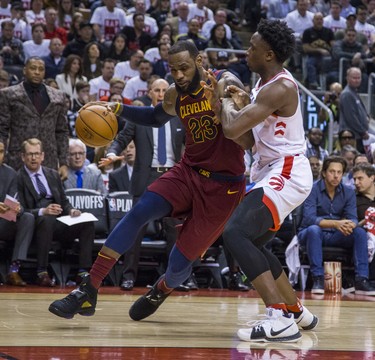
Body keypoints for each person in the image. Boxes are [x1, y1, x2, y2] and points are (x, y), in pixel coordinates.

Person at [48, 40, 249, 321]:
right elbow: (155, 118)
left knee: (180, 264)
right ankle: (88, 290)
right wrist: (119, 109)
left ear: (200, 62)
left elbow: (246, 125)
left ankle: (162, 288)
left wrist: (228, 104)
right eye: (173, 69)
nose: (178, 75)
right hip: (188, 171)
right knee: (138, 212)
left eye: (184, 68)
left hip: (223, 186)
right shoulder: (173, 94)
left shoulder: (224, 82)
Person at [202, 19, 318, 342]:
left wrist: (224, 100)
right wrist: (233, 106)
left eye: (252, 47)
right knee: (251, 241)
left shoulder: (280, 87)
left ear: (268, 55)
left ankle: (278, 317)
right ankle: (295, 311)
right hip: (272, 170)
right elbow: (248, 142)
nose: (247, 50)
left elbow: (231, 129)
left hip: (287, 171)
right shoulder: (261, 88)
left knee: (235, 233)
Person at [100, 78, 186, 290]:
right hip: (146, 178)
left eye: (165, 90)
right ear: (149, 93)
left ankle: (178, 278)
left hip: (173, 177)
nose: (160, 93)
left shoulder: (180, 118)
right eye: (157, 90)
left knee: (176, 228)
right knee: (135, 228)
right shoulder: (141, 118)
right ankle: (128, 275)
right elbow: (121, 139)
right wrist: (112, 153)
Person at [17, 138, 95, 286]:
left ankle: (83, 271)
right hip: (36, 224)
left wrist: (71, 210)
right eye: (30, 154)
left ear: (43, 156)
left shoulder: (52, 174)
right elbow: (20, 209)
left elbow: (64, 201)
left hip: (59, 221)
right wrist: (42, 211)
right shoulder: (19, 177)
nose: (34, 158)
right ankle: (42, 272)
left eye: (37, 154)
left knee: (87, 223)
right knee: (46, 220)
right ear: (23, 157)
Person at [298, 156, 375, 295]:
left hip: (335, 234)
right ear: (324, 173)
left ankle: (361, 280)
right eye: (332, 171)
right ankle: (318, 278)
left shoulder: (348, 192)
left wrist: (349, 225)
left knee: (359, 232)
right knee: (314, 230)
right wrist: (336, 223)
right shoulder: (312, 189)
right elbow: (310, 219)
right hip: (310, 233)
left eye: (339, 172)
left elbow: (353, 218)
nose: (336, 176)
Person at [0, 56, 69, 179]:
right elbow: (2, 130)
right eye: (33, 68)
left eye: (41, 69)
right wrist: (2, 159)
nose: (37, 72)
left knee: (49, 197)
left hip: (49, 161)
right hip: (18, 160)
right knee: (16, 197)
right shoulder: (8, 95)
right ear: (24, 70)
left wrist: (63, 163)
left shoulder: (59, 97)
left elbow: (62, 132)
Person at [0, 140, 35, 286]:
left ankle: (14, 269)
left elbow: (14, 200)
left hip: (3, 221)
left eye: (1, 151)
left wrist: (18, 209)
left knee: (27, 217)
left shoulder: (11, 173)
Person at [339, 67, 370, 154]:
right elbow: (351, 117)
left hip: (358, 135)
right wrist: (362, 131)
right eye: (354, 78)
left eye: (358, 78)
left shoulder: (354, 92)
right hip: (351, 135)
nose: (357, 80)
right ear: (348, 78)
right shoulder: (347, 94)